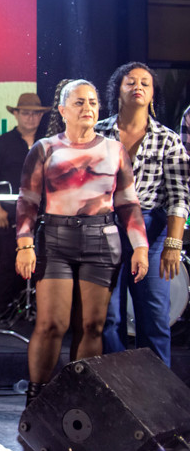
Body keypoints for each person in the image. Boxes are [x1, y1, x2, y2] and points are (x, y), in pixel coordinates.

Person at [16, 79, 148, 405]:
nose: (87, 108)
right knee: (52, 324)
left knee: (92, 326)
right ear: (63, 111)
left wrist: (141, 246)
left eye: (92, 102)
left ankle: (79, 401)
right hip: (55, 241)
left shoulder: (114, 150)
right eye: (79, 102)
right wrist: (25, 244)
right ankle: (37, 400)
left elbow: (128, 203)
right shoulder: (44, 148)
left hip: (102, 241)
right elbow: (28, 201)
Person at [96, 63, 188, 367]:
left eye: (145, 83)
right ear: (117, 90)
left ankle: (158, 390)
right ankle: (115, 385)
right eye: (130, 82)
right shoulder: (98, 133)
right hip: (105, 229)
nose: (138, 87)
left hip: (152, 230)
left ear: (152, 94)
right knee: (109, 317)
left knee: (154, 316)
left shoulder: (168, 139)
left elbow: (179, 196)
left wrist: (173, 244)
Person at [0, 93, 51, 318]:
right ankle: (3, 312)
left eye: (35, 114)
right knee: (8, 261)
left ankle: (38, 313)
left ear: (41, 116)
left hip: (43, 215)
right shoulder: (2, 143)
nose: (31, 117)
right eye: (26, 113)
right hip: (9, 214)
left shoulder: (48, 144)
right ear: (17, 114)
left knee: (44, 263)